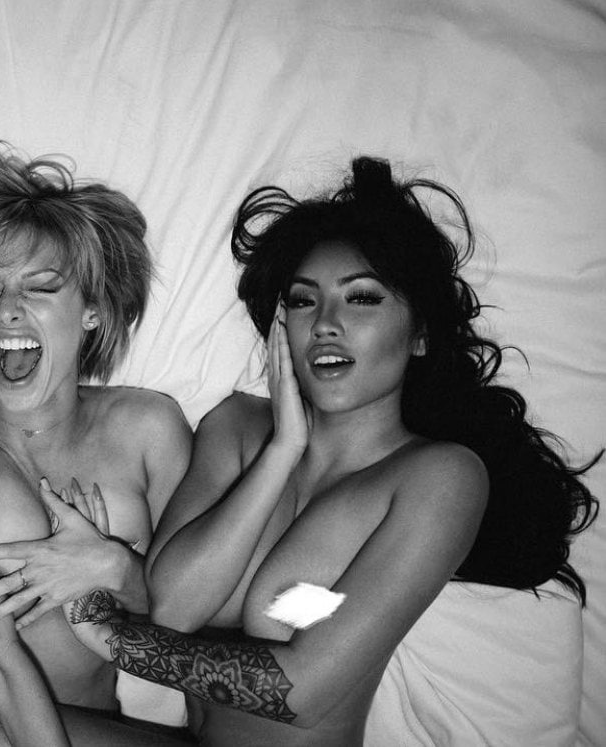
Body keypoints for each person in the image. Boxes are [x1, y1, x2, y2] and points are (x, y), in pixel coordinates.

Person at [48, 156, 596, 747]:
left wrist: (109, 638)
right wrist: (283, 450)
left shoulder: (438, 478)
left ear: (419, 334)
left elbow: (300, 692)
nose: (326, 323)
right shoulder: (236, 429)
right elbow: (173, 609)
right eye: (304, 301)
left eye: (362, 299)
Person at [0, 144, 192, 745]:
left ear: (93, 312)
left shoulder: (150, 431)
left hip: (86, 731)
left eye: (41, 288)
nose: (7, 310)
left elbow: (189, 616)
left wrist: (114, 566)